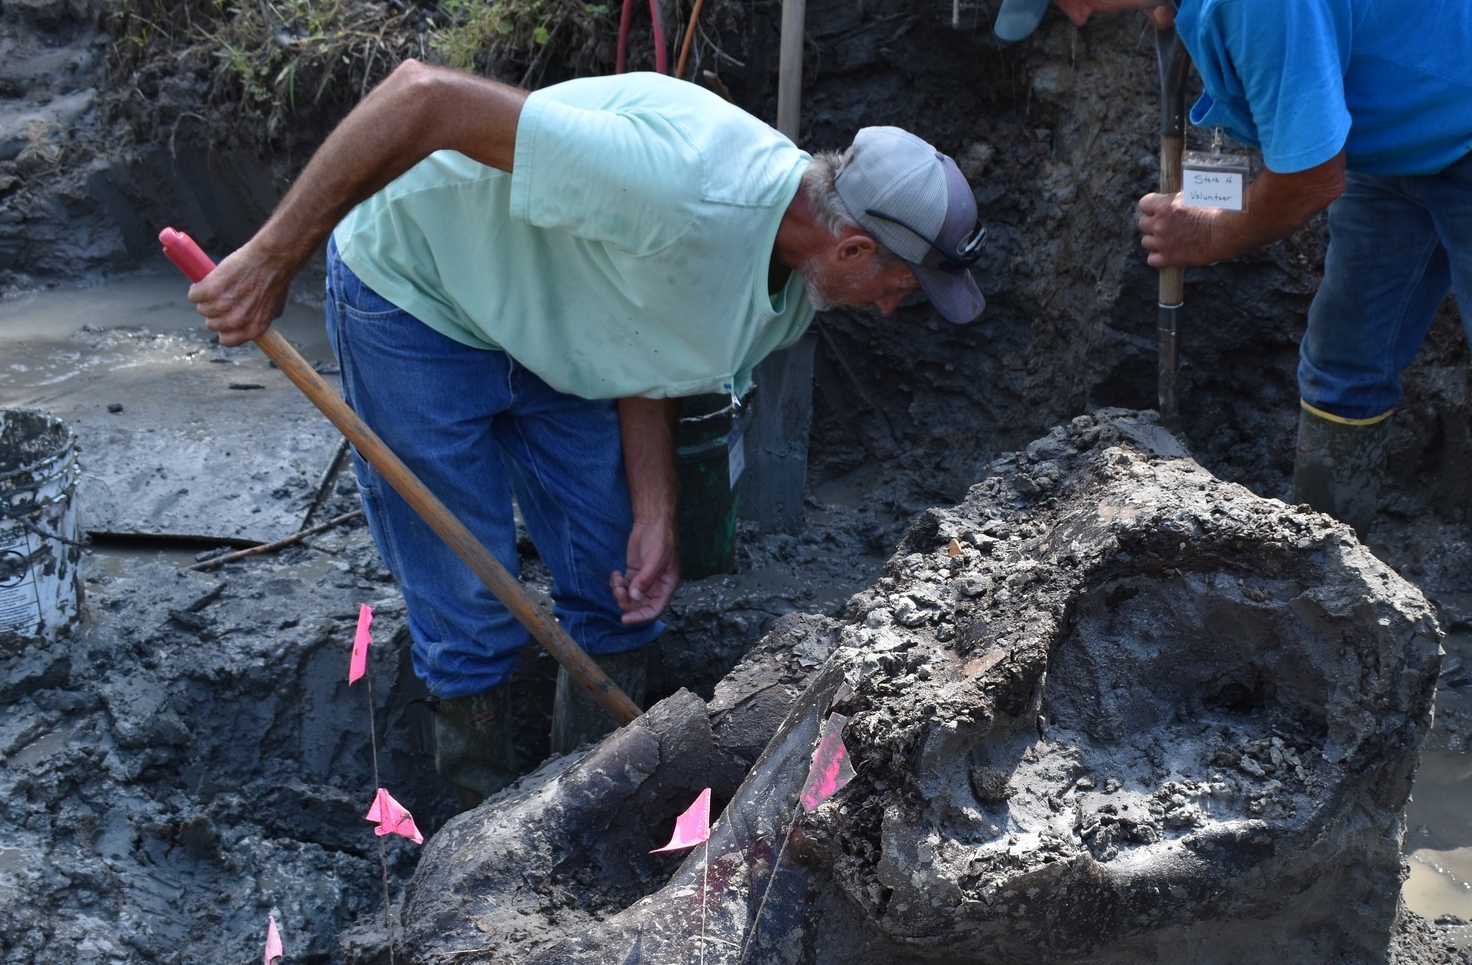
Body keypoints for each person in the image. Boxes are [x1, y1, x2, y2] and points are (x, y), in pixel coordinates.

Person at [188, 62, 986, 810]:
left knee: (621, 590)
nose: (888, 308)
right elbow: (423, 95)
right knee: (470, 607)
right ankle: (478, 843)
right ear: (851, 246)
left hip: (558, 323)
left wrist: (653, 508)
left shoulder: (787, 280)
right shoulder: (679, 187)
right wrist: (270, 257)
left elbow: (653, 339)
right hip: (422, 295)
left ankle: (582, 815)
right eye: (896, 286)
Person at [994, 0, 1472, 842]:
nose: (1071, 18)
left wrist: (1211, 238)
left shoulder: (1254, 3)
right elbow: (1280, 134)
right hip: (1401, 132)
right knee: (1341, 371)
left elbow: (1312, 178)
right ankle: (1314, 636)